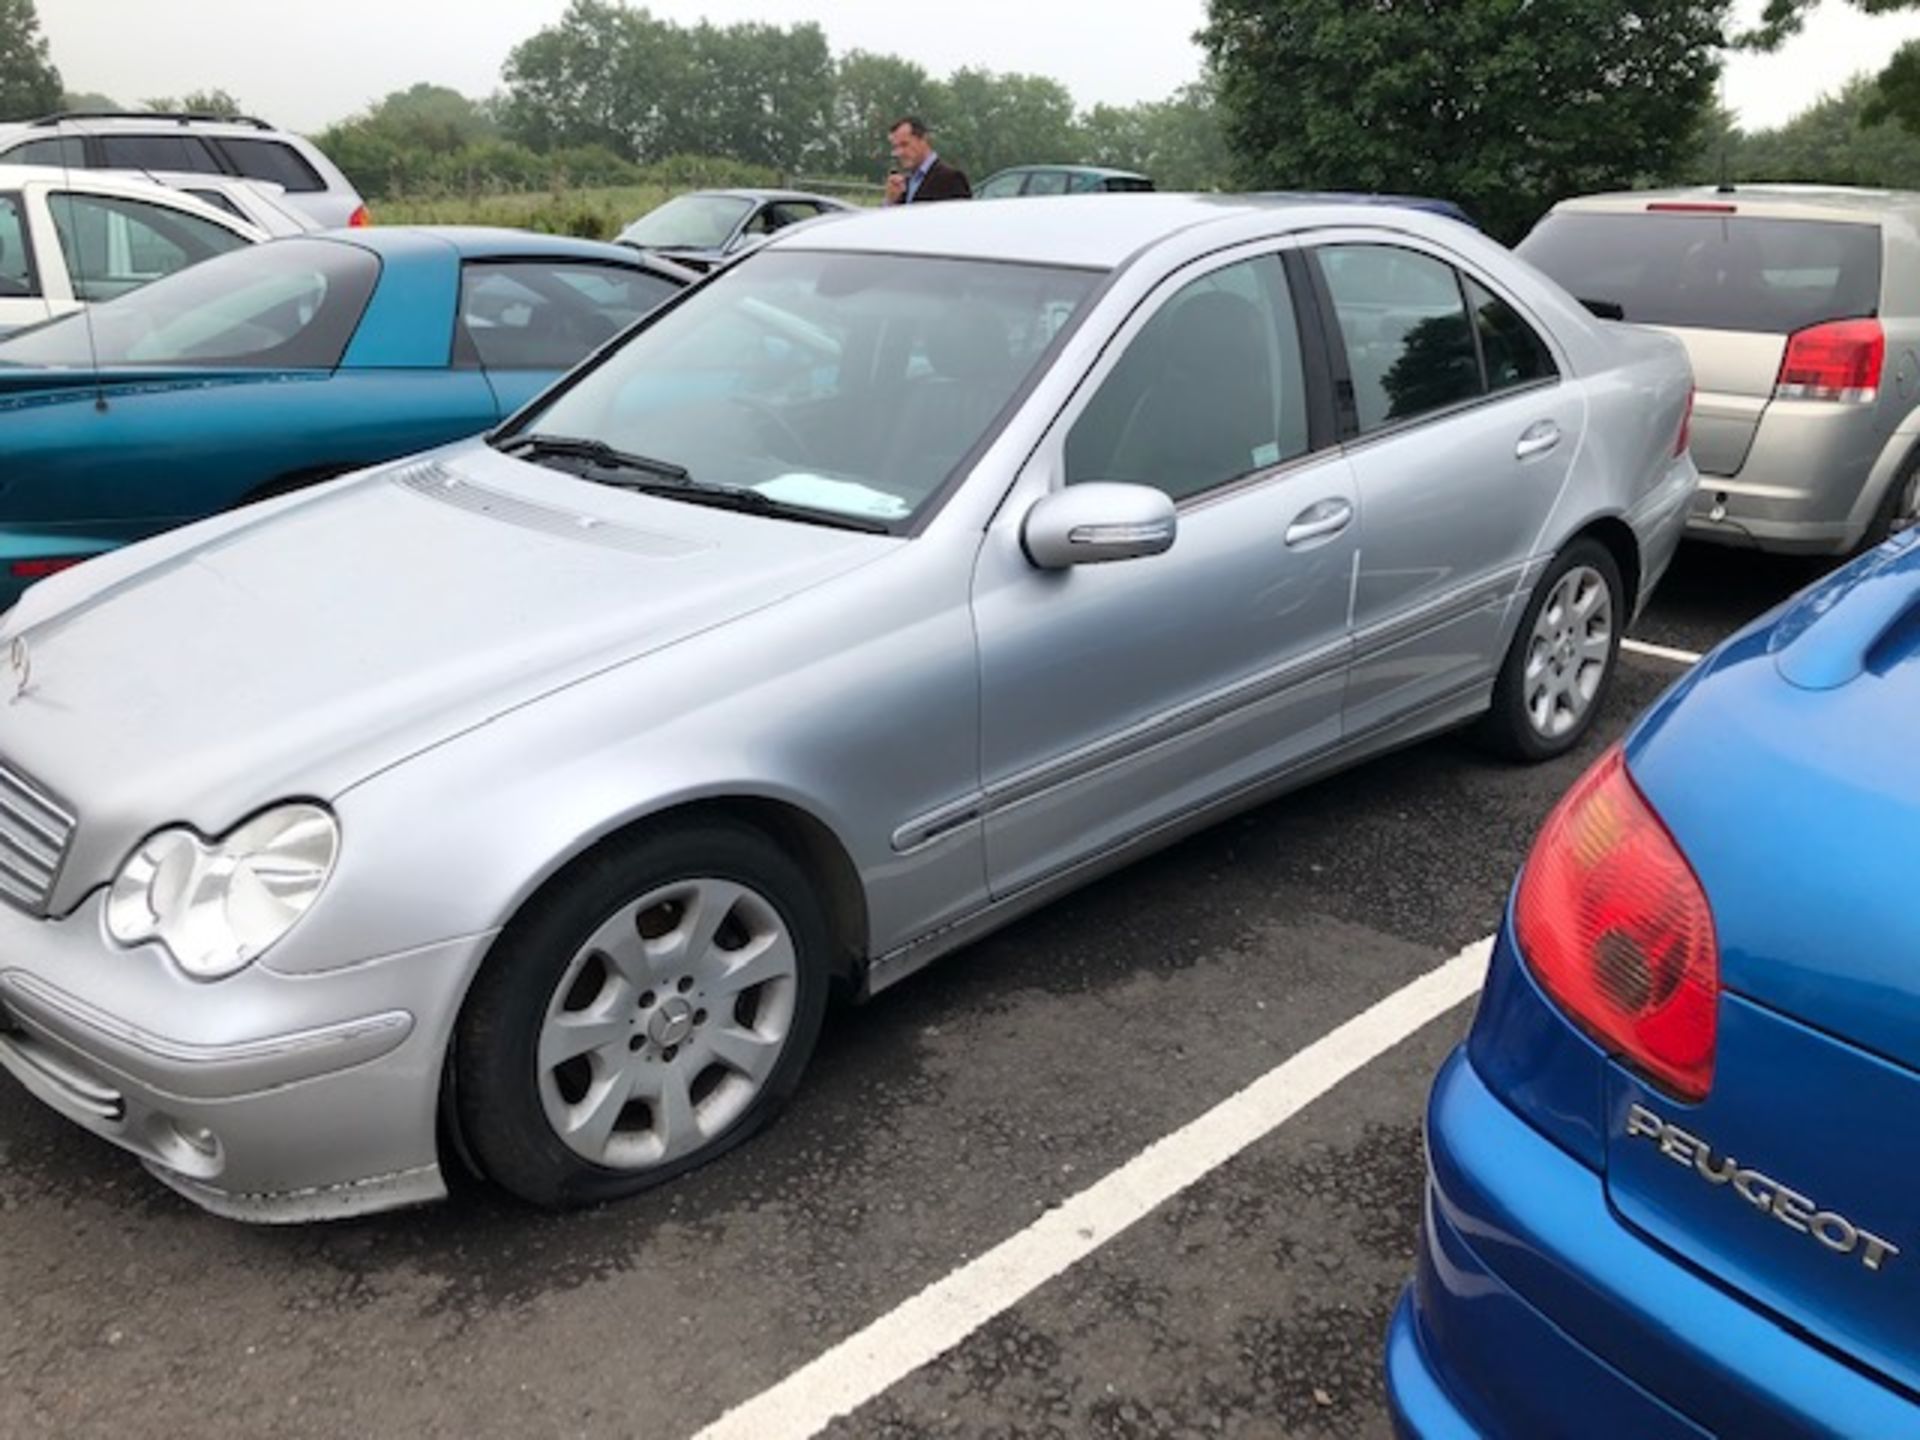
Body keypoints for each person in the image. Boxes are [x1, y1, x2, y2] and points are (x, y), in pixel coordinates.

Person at [885, 117, 971, 205]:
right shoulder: (902, 184)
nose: (899, 153)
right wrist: (890, 202)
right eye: (895, 147)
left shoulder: (951, 179)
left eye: (905, 144)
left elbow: (962, 217)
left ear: (923, 139)